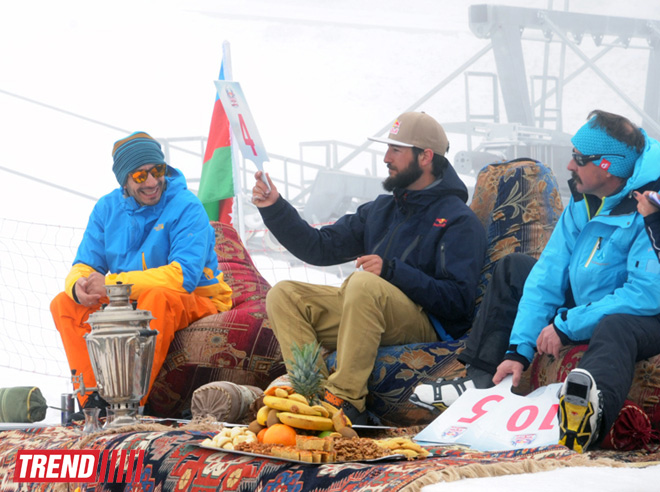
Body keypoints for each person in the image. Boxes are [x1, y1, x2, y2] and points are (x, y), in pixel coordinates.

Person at [411, 110, 660, 452]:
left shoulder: (651, 205)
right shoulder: (585, 200)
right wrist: (520, 350)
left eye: (578, 159)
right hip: (588, 299)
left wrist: (566, 326)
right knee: (514, 268)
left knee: (616, 326)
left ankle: (589, 419)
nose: (570, 167)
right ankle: (480, 381)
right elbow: (548, 274)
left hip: (644, 315)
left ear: (608, 165)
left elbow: (645, 294)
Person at [251, 111, 487, 423]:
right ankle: (309, 396)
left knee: (364, 284)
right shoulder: (381, 209)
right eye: (387, 148)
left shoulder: (457, 220)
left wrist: (392, 270)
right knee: (284, 294)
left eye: (396, 150)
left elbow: (457, 302)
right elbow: (319, 247)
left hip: (426, 322)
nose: (386, 157)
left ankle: (346, 401)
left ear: (426, 156)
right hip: (369, 310)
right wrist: (275, 208)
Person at [51, 131, 232, 415]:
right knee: (64, 302)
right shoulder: (106, 208)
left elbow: (182, 277)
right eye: (140, 176)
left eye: (157, 171)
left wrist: (110, 285)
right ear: (124, 180)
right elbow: (85, 262)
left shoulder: (187, 206)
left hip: (199, 298)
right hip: (129, 299)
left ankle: (130, 404)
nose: (151, 182)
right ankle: (93, 403)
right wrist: (78, 285)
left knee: (157, 296)